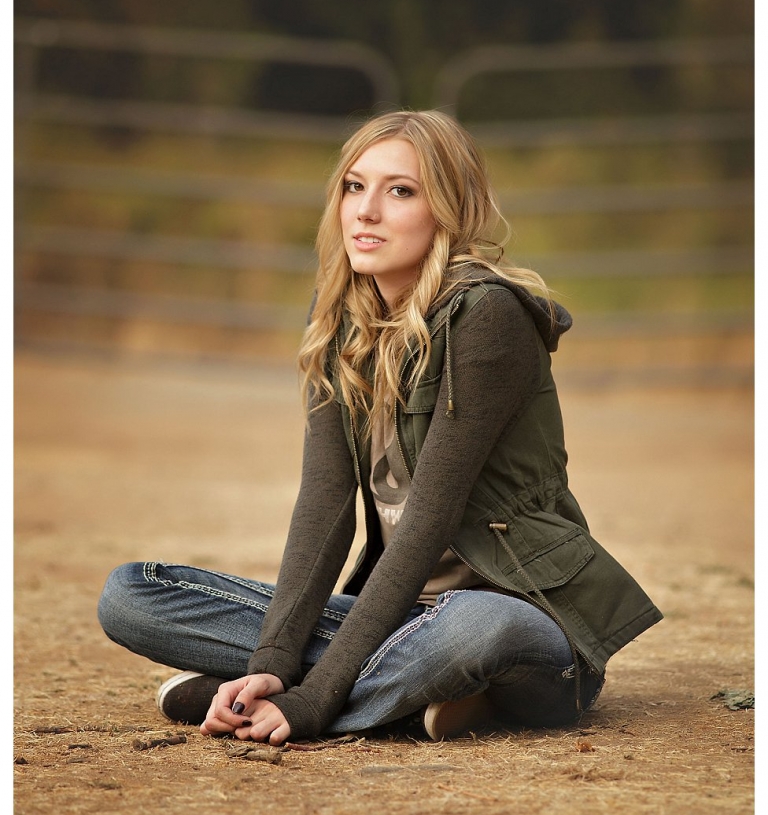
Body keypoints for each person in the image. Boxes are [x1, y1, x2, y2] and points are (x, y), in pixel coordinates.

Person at [98, 109, 662, 744]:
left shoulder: (487, 318)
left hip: (525, 618)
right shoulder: (338, 314)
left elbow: (428, 520)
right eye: (353, 186)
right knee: (131, 594)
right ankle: (418, 696)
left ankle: (334, 694)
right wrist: (272, 663)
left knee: (474, 628)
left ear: (449, 209)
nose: (366, 211)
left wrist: (315, 699)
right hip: (396, 622)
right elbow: (325, 507)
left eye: (400, 191)